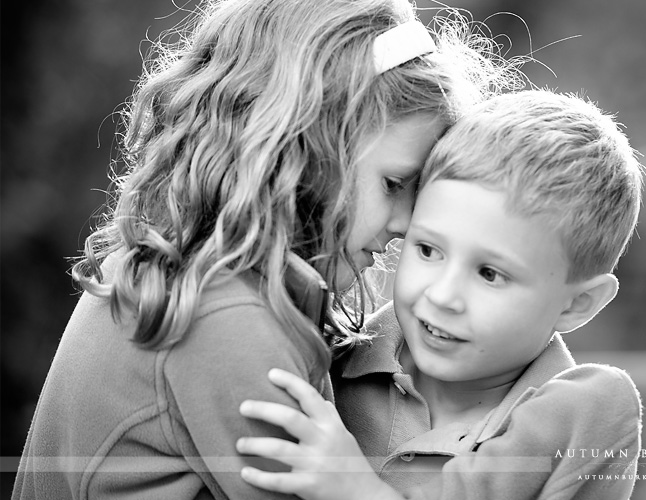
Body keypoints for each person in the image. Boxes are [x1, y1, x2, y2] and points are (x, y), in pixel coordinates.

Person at [12, 0, 513, 498]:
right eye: (393, 184)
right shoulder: (229, 321)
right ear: (302, 148)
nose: (406, 225)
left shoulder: (179, 276)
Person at [234, 89, 645, 500]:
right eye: (428, 250)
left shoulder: (587, 414)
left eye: (489, 274)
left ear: (576, 304)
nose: (443, 295)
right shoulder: (329, 359)